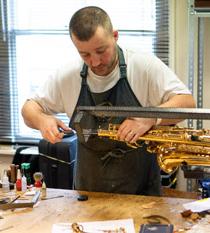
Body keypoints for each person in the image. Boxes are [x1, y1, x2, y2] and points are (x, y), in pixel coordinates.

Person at [22, 6, 195, 196]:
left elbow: (187, 103)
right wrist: (41, 120)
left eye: (101, 51)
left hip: (142, 195)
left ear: (115, 36)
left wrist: (149, 117)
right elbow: (29, 109)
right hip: (88, 195)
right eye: (85, 54)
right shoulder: (68, 75)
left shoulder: (143, 65)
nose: (95, 62)